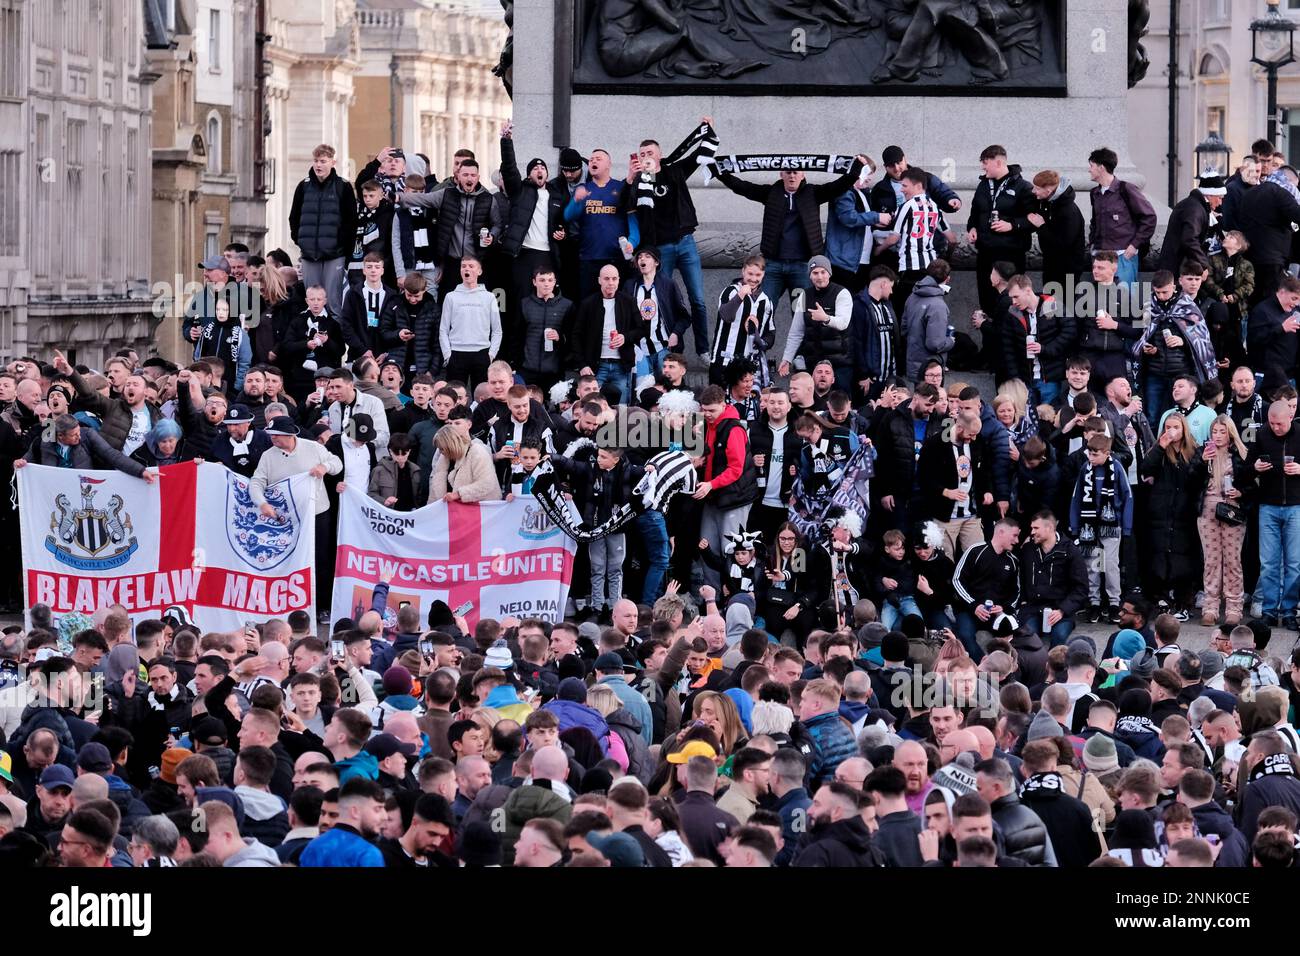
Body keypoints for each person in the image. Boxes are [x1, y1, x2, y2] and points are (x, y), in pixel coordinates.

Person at [712, 148, 866, 314]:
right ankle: (761, 339)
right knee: (763, 309)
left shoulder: (813, 193)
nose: (792, 176)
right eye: (788, 172)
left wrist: (856, 167)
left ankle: (799, 341)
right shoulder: (771, 193)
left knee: (800, 312)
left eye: (796, 172)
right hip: (773, 266)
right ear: (781, 174)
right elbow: (743, 187)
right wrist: (719, 172)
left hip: (801, 267)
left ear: (803, 174)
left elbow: (838, 186)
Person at [1141, 413, 1202, 620]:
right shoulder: (1159, 450)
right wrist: (1160, 446)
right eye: (1167, 426)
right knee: (1159, 554)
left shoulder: (1194, 450)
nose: (1171, 430)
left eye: (1175, 426)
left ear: (1183, 428)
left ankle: (1184, 601)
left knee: (1184, 557)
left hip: (1185, 510)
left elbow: (1197, 478)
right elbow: (1145, 468)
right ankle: (1161, 598)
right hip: (1161, 509)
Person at [1069, 434, 1133, 623]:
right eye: (1089, 454)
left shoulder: (1117, 469)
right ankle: (1095, 602)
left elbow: (1128, 497)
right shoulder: (1085, 470)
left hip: (1111, 526)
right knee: (1093, 565)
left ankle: (1114, 602)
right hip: (1090, 526)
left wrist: (1126, 526)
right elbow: (1076, 497)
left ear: (1107, 453)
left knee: (1111, 564)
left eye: (1095, 455)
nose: (1091, 458)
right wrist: (1074, 526)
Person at [1247, 401, 1300, 629]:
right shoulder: (1262, 434)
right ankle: (1269, 610)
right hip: (1268, 505)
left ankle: (1289, 611)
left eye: (1279, 424)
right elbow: (1246, 467)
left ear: (1290, 417)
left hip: (1296, 506)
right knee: (1268, 563)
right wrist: (1255, 468)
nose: (1276, 428)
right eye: (1272, 423)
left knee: (1294, 563)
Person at [1195, 415, 1249, 626]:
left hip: (1232, 509)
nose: (1217, 436)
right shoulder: (1202, 453)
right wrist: (1202, 463)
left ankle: (1234, 607)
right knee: (1211, 559)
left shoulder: (1240, 454)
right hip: (1207, 509)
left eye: (1222, 431)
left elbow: (1252, 484)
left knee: (1232, 559)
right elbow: (1191, 481)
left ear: (1230, 433)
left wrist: (1241, 492)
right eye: (1214, 431)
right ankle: (1210, 606)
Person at [967, 145, 1033, 316]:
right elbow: (975, 212)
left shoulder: (1023, 187)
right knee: (987, 299)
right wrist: (972, 227)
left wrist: (1012, 225)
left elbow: (1034, 220)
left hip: (1010, 254)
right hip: (985, 253)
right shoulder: (983, 185)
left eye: (985, 163)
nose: (983, 167)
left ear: (998, 162)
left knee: (1009, 301)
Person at [951, 518, 1022, 662]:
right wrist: (974, 605)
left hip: (997, 613)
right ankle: (983, 667)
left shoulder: (1013, 561)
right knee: (965, 635)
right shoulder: (975, 551)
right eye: (1014, 535)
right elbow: (957, 580)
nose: (1017, 541)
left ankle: (1007, 670)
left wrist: (1004, 608)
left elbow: (1017, 592)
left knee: (1013, 633)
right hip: (969, 609)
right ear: (1001, 532)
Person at [1087, 146, 1157, 288]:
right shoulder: (1094, 193)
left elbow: (1149, 217)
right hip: (1100, 258)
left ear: (1101, 168)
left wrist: (1133, 246)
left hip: (1122, 257)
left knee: (1125, 302)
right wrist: (1093, 245)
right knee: (1102, 302)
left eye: (1091, 166)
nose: (1089, 170)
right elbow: (1095, 222)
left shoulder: (1126, 189)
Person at [574, 263, 640, 406]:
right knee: (591, 408)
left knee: (620, 410)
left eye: (614, 279)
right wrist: (582, 364)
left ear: (619, 280)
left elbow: (642, 330)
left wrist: (625, 337)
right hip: (595, 366)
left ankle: (618, 429)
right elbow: (576, 335)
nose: (611, 283)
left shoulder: (629, 301)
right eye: (607, 279)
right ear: (599, 280)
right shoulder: (588, 304)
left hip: (621, 365)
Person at [1020, 510, 1087, 647]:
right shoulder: (1027, 549)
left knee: (1060, 636)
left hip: (1060, 609)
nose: (1032, 532)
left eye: (1036, 528)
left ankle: (1054, 668)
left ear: (1049, 528)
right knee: (1028, 635)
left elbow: (1081, 588)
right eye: (1032, 528)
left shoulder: (1070, 551)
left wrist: (1063, 610)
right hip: (1033, 608)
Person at [438, 256, 502, 390]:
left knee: (483, 397)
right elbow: (443, 329)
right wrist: (447, 355)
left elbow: (497, 330)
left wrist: (491, 355)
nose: (467, 269)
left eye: (471, 266)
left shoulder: (489, 297)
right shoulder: (451, 297)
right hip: (456, 353)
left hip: (481, 354)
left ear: (479, 271)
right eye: (463, 266)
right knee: (453, 396)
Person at [1029, 168, 1088, 294]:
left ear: (1048, 190)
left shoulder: (1068, 211)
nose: (1034, 191)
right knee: (1050, 304)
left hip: (1067, 269)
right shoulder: (1048, 202)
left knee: (1064, 307)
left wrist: (1041, 226)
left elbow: (1063, 243)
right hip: (1051, 264)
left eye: (1037, 188)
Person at [1156, 175, 1226, 275]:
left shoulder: (1194, 205)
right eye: (1219, 198)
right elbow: (1189, 240)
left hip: (1177, 265)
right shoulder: (1195, 209)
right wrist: (1204, 264)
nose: (1220, 203)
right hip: (1178, 268)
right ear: (1210, 195)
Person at [902, 258, 955, 381]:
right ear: (947, 278)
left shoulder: (912, 297)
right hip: (931, 370)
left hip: (914, 364)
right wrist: (950, 341)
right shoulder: (938, 305)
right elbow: (935, 344)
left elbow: (904, 329)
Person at [428, 424, 501, 505]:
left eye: (442, 448)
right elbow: (435, 488)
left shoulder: (477, 452)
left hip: (482, 510)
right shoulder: (443, 458)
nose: (440, 452)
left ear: (451, 445)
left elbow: (486, 484)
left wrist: (459, 494)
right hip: (454, 511)